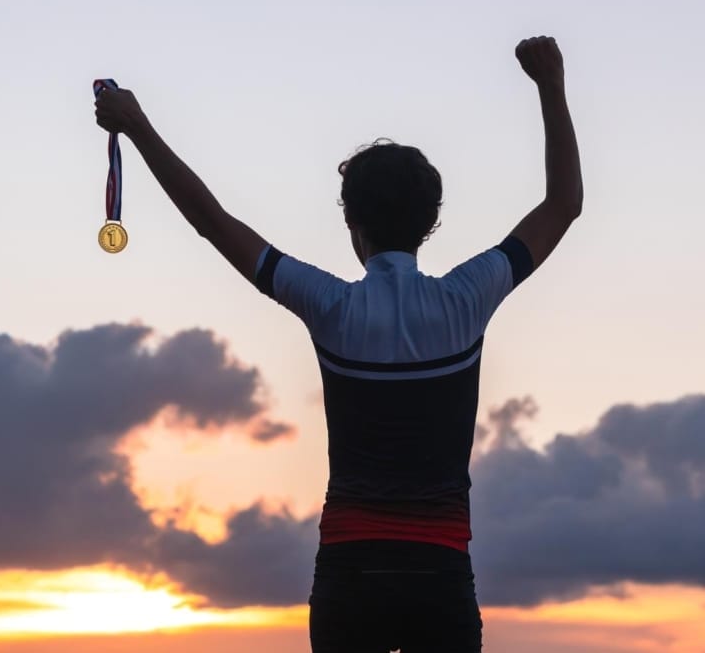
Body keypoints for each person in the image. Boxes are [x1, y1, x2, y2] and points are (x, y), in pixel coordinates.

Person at [95, 35, 582, 652]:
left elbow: (213, 221)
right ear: (431, 222)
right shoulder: (467, 298)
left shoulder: (332, 305)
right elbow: (564, 204)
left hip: (350, 575)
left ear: (352, 224)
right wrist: (550, 85)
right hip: (439, 573)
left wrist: (136, 127)